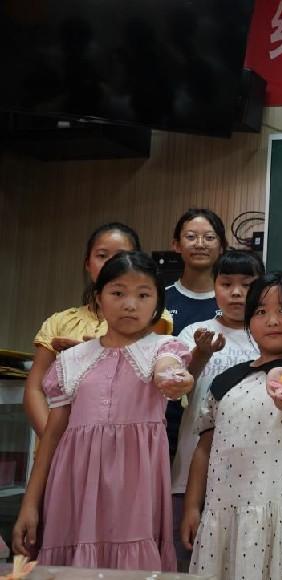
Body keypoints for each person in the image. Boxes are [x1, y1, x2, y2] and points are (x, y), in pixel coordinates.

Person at [12, 251, 194, 570]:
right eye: (118, 293)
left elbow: (169, 368)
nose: (130, 304)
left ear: (157, 303)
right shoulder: (71, 360)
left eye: (143, 295)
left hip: (134, 492)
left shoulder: (163, 348)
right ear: (98, 298)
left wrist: (175, 378)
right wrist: (30, 503)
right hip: (72, 489)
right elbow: (52, 438)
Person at [181, 272, 282, 579]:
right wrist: (192, 506)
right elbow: (204, 448)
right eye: (261, 312)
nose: (272, 321)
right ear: (249, 321)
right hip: (223, 512)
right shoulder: (225, 381)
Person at [24, 222, 172, 437]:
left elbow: (143, 375)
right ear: (88, 263)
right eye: (102, 255)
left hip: (123, 438)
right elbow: (34, 389)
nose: (110, 263)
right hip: (60, 439)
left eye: (120, 256)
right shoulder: (59, 321)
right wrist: (56, 442)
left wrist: (88, 353)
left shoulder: (151, 316)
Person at [169, 250, 263, 571]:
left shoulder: (266, 335)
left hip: (251, 476)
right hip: (191, 471)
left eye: (247, 285)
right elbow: (179, 386)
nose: (236, 292)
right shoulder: (195, 332)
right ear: (215, 286)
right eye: (226, 284)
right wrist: (201, 354)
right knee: (188, 561)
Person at [164, 208, 227, 462]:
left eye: (209, 237)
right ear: (176, 245)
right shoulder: (160, 299)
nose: (200, 244)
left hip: (218, 421)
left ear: (222, 246)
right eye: (191, 237)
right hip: (164, 419)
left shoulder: (234, 304)